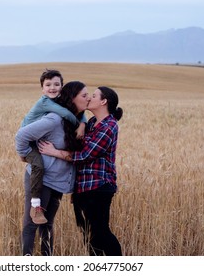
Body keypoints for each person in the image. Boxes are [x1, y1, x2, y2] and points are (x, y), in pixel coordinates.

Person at [39, 86, 123, 256]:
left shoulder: (108, 126)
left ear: (103, 101)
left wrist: (54, 152)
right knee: (88, 235)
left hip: (99, 188)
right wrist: (83, 124)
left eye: (93, 96)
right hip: (83, 188)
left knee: (100, 231)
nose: (89, 98)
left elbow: (85, 155)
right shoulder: (92, 123)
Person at [15, 81, 89, 256]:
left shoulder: (78, 122)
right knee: (32, 223)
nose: (89, 98)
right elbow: (21, 135)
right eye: (84, 95)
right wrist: (24, 155)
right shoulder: (54, 119)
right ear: (72, 98)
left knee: (47, 224)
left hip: (59, 181)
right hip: (43, 179)